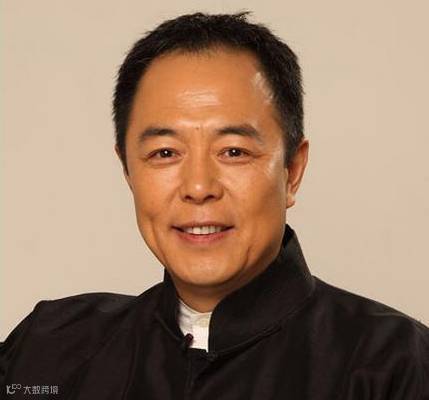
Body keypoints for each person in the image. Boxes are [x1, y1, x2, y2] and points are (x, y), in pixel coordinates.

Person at [1, 11, 428, 400]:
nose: (199, 187)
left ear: (292, 170)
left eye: (234, 152)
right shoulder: (47, 349)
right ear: (127, 170)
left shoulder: (395, 367)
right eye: (165, 153)